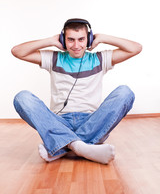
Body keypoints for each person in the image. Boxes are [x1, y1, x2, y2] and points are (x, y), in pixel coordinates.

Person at [11, 18, 142, 164]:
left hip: (92, 122)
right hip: (59, 122)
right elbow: (17, 52)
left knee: (125, 92)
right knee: (22, 98)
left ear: (89, 39)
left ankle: (61, 145)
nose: (76, 45)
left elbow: (136, 48)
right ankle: (81, 147)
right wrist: (50, 41)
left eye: (81, 39)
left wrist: (103, 38)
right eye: (71, 40)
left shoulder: (100, 59)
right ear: (63, 40)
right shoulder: (53, 58)